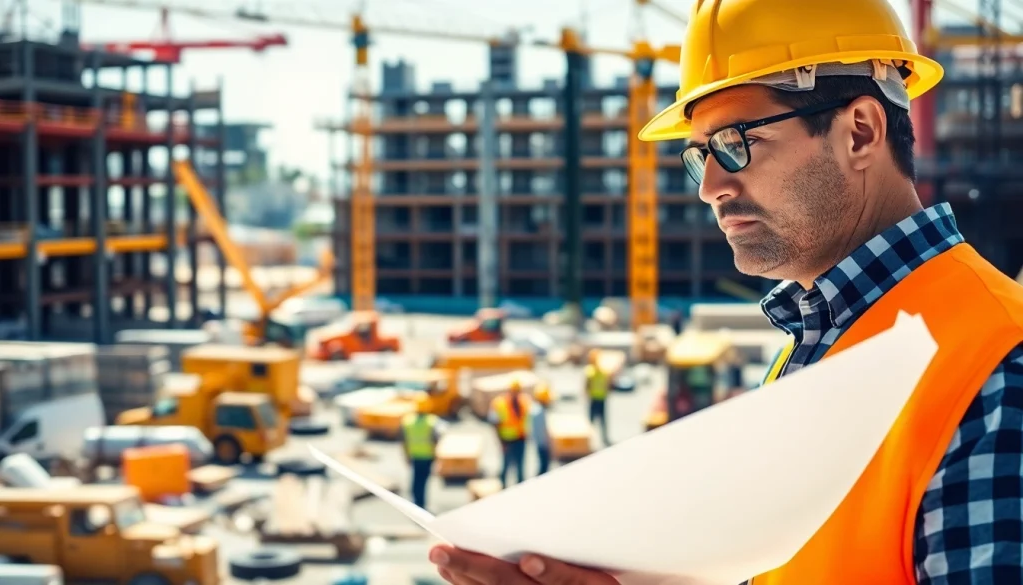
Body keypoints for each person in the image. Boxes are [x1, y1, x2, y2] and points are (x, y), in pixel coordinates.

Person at [429, 1, 1023, 583]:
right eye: (699, 156)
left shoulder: (998, 367)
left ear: (859, 132)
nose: (709, 186)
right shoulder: (818, 345)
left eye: (736, 143)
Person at [398, 398, 445, 510]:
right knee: (423, 480)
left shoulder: (408, 421)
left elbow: (403, 440)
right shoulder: (432, 421)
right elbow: (438, 437)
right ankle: (421, 503)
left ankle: (415, 500)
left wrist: (405, 455)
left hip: (414, 455)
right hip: (427, 455)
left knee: (416, 478)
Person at [488, 377, 531, 488]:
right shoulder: (499, 403)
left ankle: (521, 488)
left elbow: (527, 419)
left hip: (520, 439)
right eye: (514, 391)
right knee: (506, 466)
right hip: (507, 441)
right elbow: (494, 423)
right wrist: (500, 442)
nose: (516, 394)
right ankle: (503, 487)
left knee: (520, 467)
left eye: (518, 391)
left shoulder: (524, 401)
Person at [583, 349, 611, 446]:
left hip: (597, 398)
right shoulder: (600, 370)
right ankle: (595, 438)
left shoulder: (591, 370)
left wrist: (586, 393)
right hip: (598, 397)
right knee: (598, 420)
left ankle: (592, 438)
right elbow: (607, 383)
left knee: (594, 420)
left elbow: (587, 384)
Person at [529, 383, 553, 476]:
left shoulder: (535, 408)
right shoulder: (539, 412)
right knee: (544, 467)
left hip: (539, 443)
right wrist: (548, 444)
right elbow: (542, 432)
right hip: (542, 444)